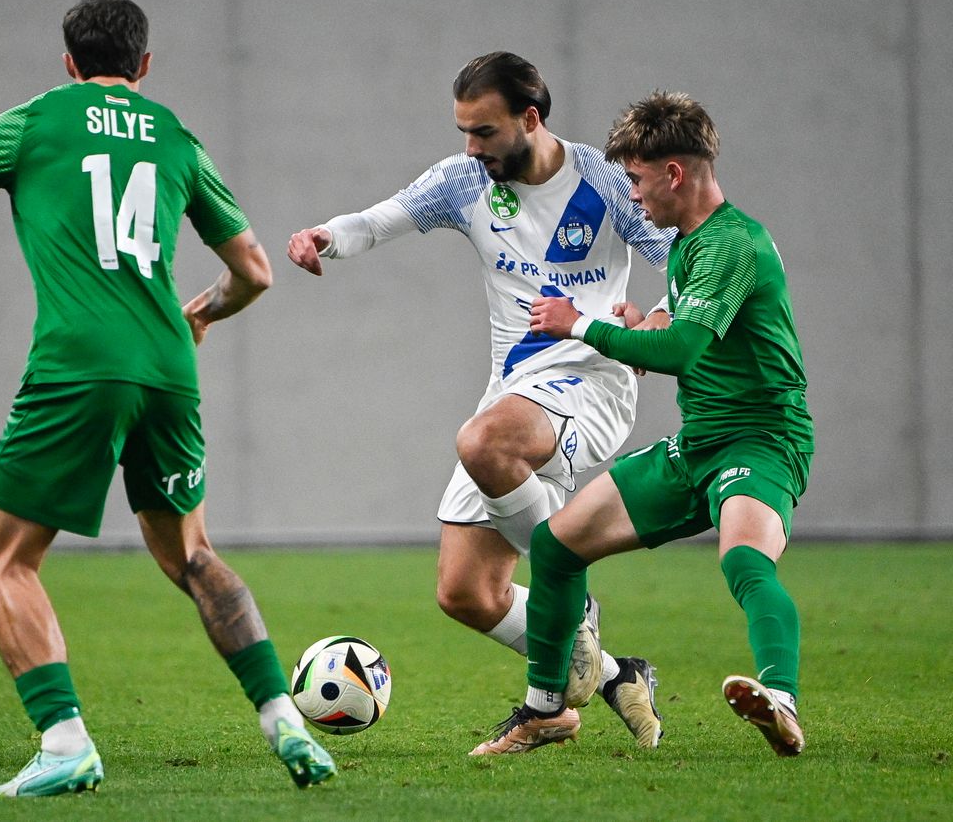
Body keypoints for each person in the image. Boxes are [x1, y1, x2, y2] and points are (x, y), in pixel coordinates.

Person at [0, 0, 336, 795]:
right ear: (144, 66)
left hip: (80, 363)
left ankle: (65, 740)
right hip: (168, 365)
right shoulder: (177, 136)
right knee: (192, 554)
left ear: (69, 62)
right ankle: (283, 718)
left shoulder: (35, 121)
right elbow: (255, 271)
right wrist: (201, 311)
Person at [288, 52, 676, 748]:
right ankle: (611, 679)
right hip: (516, 392)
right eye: (464, 130)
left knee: (481, 442)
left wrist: (656, 321)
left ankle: (571, 602)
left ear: (531, 119)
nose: (472, 147)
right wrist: (326, 238)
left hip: (593, 381)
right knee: (467, 593)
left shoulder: (607, 184)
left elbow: (687, 256)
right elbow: (379, 220)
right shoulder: (464, 182)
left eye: (485, 132)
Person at [471, 90, 814, 757]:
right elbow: (684, 328)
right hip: (696, 446)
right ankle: (546, 709)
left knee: (744, 558)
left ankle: (782, 700)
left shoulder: (732, 243)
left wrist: (585, 325)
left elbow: (681, 351)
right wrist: (643, 321)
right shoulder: (694, 244)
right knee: (556, 547)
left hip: (761, 439)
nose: (630, 195)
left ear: (674, 173)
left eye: (634, 179)